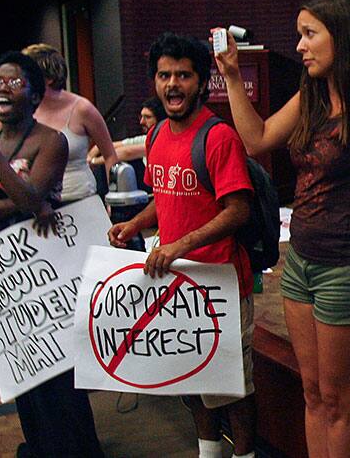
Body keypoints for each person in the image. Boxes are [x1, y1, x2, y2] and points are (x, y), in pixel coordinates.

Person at [212, 0, 350, 458]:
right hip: (303, 264)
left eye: (310, 34)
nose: (300, 46)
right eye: (300, 34)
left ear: (343, 38)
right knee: (312, 395)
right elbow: (257, 139)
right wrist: (231, 76)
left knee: (337, 400)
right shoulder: (310, 96)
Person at [107, 33, 257, 458]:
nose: (173, 84)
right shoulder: (156, 138)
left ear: (201, 81)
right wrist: (134, 223)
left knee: (233, 389)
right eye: (164, 75)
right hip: (176, 286)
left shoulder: (218, 137)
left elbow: (237, 210)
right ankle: (209, 453)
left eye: (184, 75)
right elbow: (166, 197)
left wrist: (180, 245)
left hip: (221, 284)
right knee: (190, 382)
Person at [0, 51, 103, 458]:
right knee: (21, 362)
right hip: (3, 263)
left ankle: (76, 448)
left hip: (47, 260)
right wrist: (28, 203)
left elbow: (31, 195)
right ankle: (41, 445)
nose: (2, 88)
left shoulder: (50, 140)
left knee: (58, 367)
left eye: (14, 82)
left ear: (35, 93)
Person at [21, 43, 118, 202]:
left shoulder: (82, 109)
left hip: (81, 200)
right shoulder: (23, 109)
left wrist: (113, 199)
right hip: (38, 205)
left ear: (49, 79)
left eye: (27, 76)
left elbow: (110, 156)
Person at [87, 96, 166, 167]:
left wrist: (93, 161)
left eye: (148, 117)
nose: (141, 122)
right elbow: (105, 146)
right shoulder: (146, 139)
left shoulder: (163, 141)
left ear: (160, 120)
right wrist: (90, 156)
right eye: (141, 117)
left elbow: (126, 152)